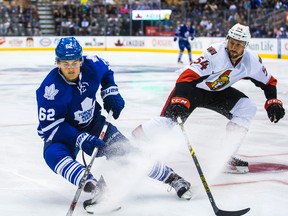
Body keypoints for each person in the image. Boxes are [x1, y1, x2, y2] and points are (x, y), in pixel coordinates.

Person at [36, 37, 192, 210]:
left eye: (74, 62)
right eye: (65, 63)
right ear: (57, 63)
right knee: (53, 155)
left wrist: (110, 93)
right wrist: (80, 138)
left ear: (81, 59)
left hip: (93, 124)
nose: (71, 68)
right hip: (64, 133)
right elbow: (51, 128)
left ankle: (173, 178)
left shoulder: (93, 65)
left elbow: (107, 72)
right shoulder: (49, 90)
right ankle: (98, 189)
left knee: (127, 152)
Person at [132, 23, 285, 174]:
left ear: (246, 46)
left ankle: (225, 156)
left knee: (247, 108)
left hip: (217, 92)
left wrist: (272, 102)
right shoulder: (214, 55)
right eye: (231, 42)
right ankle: (137, 140)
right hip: (192, 89)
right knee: (169, 120)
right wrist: (180, 101)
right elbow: (186, 78)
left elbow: (269, 82)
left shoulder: (251, 61)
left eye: (238, 45)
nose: (233, 47)